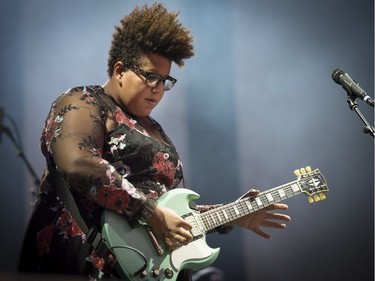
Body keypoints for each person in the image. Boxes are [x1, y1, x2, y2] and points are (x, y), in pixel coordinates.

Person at [18, 3, 291, 281]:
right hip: (85, 261)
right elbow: (77, 163)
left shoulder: (154, 129)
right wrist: (151, 214)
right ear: (120, 69)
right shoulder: (83, 100)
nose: (158, 88)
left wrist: (231, 214)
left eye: (165, 80)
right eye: (150, 76)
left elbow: (167, 207)